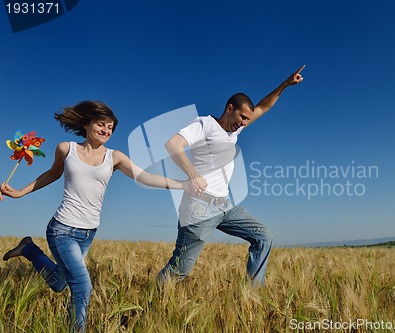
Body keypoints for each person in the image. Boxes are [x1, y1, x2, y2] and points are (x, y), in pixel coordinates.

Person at [1, 100, 184, 332]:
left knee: (59, 283)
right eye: (102, 124)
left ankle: (28, 248)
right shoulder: (66, 149)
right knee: (82, 286)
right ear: (87, 124)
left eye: (111, 127)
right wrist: (18, 193)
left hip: (88, 232)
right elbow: (51, 175)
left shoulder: (114, 157)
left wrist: (181, 184)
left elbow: (144, 177)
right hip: (62, 229)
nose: (106, 130)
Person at [157, 66, 304, 286]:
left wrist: (285, 84)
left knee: (264, 236)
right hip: (199, 206)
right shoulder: (205, 124)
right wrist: (193, 174)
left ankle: (252, 297)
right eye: (242, 117)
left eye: (247, 119)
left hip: (224, 206)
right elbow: (173, 144)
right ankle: (146, 304)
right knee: (180, 270)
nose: (244, 123)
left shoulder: (234, 131)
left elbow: (263, 107)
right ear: (229, 108)